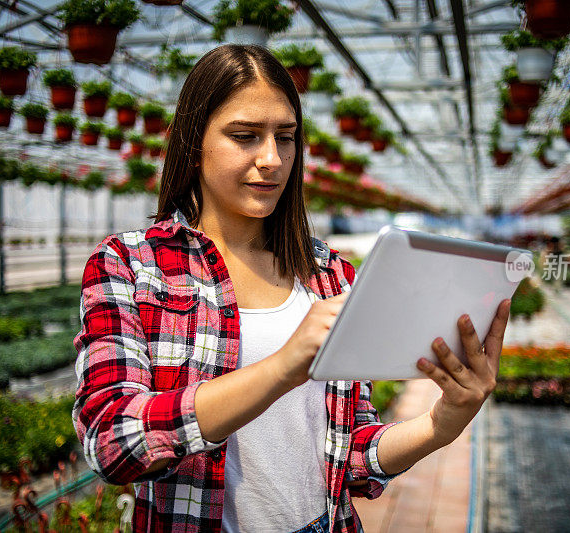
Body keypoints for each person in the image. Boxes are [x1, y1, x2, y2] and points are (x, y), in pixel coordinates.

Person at [72, 44, 511, 533]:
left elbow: (351, 450)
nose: (272, 159)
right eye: (245, 136)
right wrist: (282, 367)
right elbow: (111, 441)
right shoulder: (133, 267)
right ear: (191, 142)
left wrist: (441, 424)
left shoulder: (328, 275)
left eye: (285, 137)